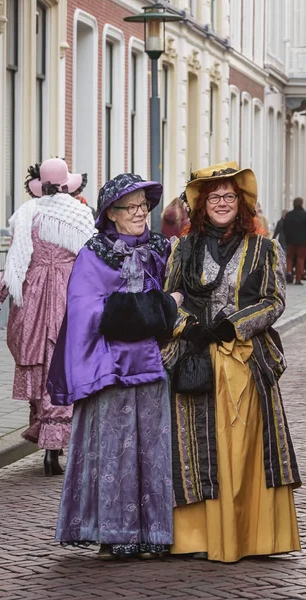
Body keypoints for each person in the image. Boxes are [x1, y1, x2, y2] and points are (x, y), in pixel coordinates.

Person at [162, 161, 301, 563]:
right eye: (213, 197)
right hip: (196, 364)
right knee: (195, 450)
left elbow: (274, 300)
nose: (221, 203)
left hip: (246, 361)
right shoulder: (182, 248)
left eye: (228, 197)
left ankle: (248, 536)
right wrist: (189, 328)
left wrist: (232, 326)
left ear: (240, 204)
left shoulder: (264, 248)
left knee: (243, 450)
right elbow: (171, 297)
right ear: (201, 205)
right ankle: (195, 537)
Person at [47, 173, 181, 559]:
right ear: (111, 213)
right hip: (111, 370)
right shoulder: (94, 253)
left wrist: (164, 306)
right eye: (131, 207)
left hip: (154, 368)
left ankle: (153, 533)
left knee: (151, 449)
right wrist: (158, 306)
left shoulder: (160, 249)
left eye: (144, 206)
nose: (140, 214)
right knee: (114, 452)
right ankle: (112, 533)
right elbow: (89, 312)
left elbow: (182, 295)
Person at [0, 158, 95, 476]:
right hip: (67, 296)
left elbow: (15, 262)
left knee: (42, 366)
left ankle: (49, 446)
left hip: (32, 299)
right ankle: (54, 449)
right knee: (63, 367)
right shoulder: (79, 214)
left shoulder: (28, 214)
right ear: (67, 185)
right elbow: (95, 259)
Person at [283, 197, 306, 285]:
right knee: (300, 259)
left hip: (290, 241)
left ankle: (289, 272)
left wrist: (287, 237)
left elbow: (284, 227)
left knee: (289, 258)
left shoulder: (289, 215)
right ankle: (298, 278)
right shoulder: (304, 215)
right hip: (302, 242)